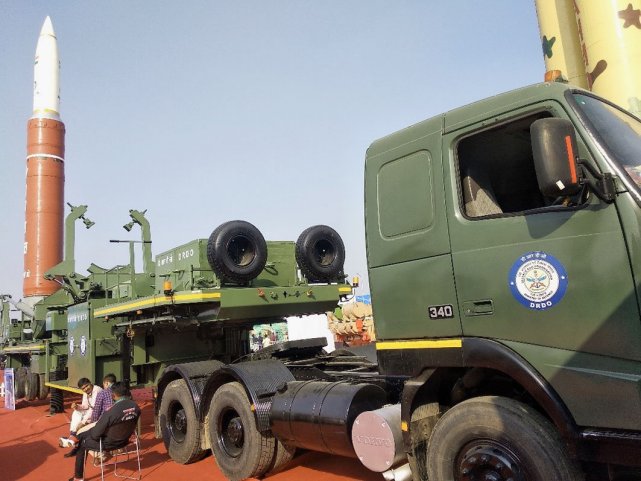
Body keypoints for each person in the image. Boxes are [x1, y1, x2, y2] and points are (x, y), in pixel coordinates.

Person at [66, 381, 141, 481]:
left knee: (82, 444)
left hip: (109, 444)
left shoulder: (111, 411)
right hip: (125, 441)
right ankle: (75, 439)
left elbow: (95, 435)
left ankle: (78, 477)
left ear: (113, 395)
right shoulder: (136, 407)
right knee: (85, 434)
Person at [59, 378, 102, 448]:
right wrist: (77, 406)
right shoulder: (86, 392)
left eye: (87, 386)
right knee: (76, 412)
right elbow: (85, 406)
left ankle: (72, 439)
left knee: (82, 422)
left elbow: (93, 409)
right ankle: (72, 436)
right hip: (91, 412)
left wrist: (83, 422)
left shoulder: (97, 390)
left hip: (99, 414)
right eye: (83, 388)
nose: (85, 389)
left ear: (90, 383)